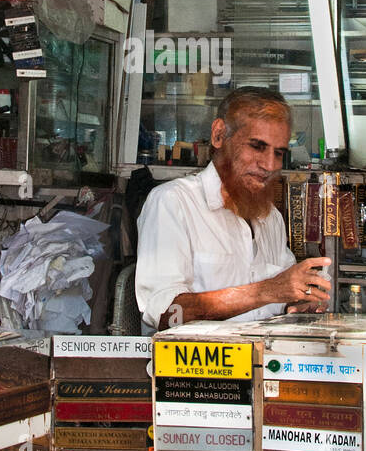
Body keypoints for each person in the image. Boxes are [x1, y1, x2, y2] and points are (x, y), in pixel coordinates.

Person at [135, 86, 332, 331]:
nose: (270, 165)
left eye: (278, 153)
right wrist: (266, 291)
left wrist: (297, 302)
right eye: (257, 146)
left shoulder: (270, 218)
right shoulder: (173, 203)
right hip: (196, 367)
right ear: (219, 135)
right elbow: (167, 315)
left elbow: (280, 295)